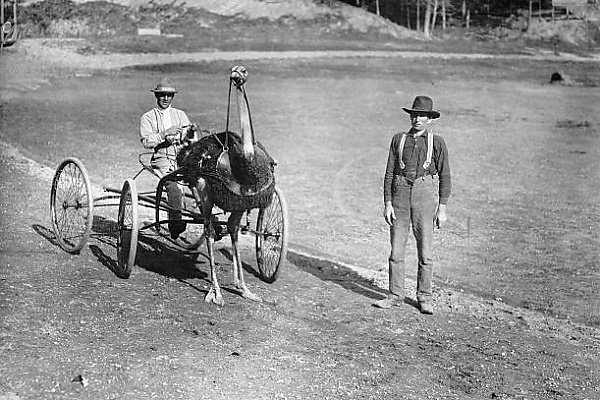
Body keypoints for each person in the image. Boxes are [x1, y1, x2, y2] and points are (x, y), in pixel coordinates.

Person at [375, 95, 452, 315]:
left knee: (425, 252)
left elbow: (445, 176)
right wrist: (388, 203)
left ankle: (424, 297)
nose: (417, 119)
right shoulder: (398, 139)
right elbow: (389, 173)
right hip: (400, 194)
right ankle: (395, 295)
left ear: (430, 119)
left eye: (422, 115)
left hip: (424, 195)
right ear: (410, 116)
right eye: (414, 114)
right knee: (396, 251)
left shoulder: (437, 142)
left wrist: (442, 207)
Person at [140, 77, 191, 239]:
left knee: (202, 182)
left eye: (169, 95)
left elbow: (190, 136)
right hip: (162, 158)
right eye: (162, 95)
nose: (165, 98)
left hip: (182, 157)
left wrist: (181, 136)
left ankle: (212, 222)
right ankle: (175, 224)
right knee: (173, 187)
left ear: (173, 97)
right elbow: (146, 142)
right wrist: (164, 135)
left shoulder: (180, 115)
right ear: (156, 96)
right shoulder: (147, 117)